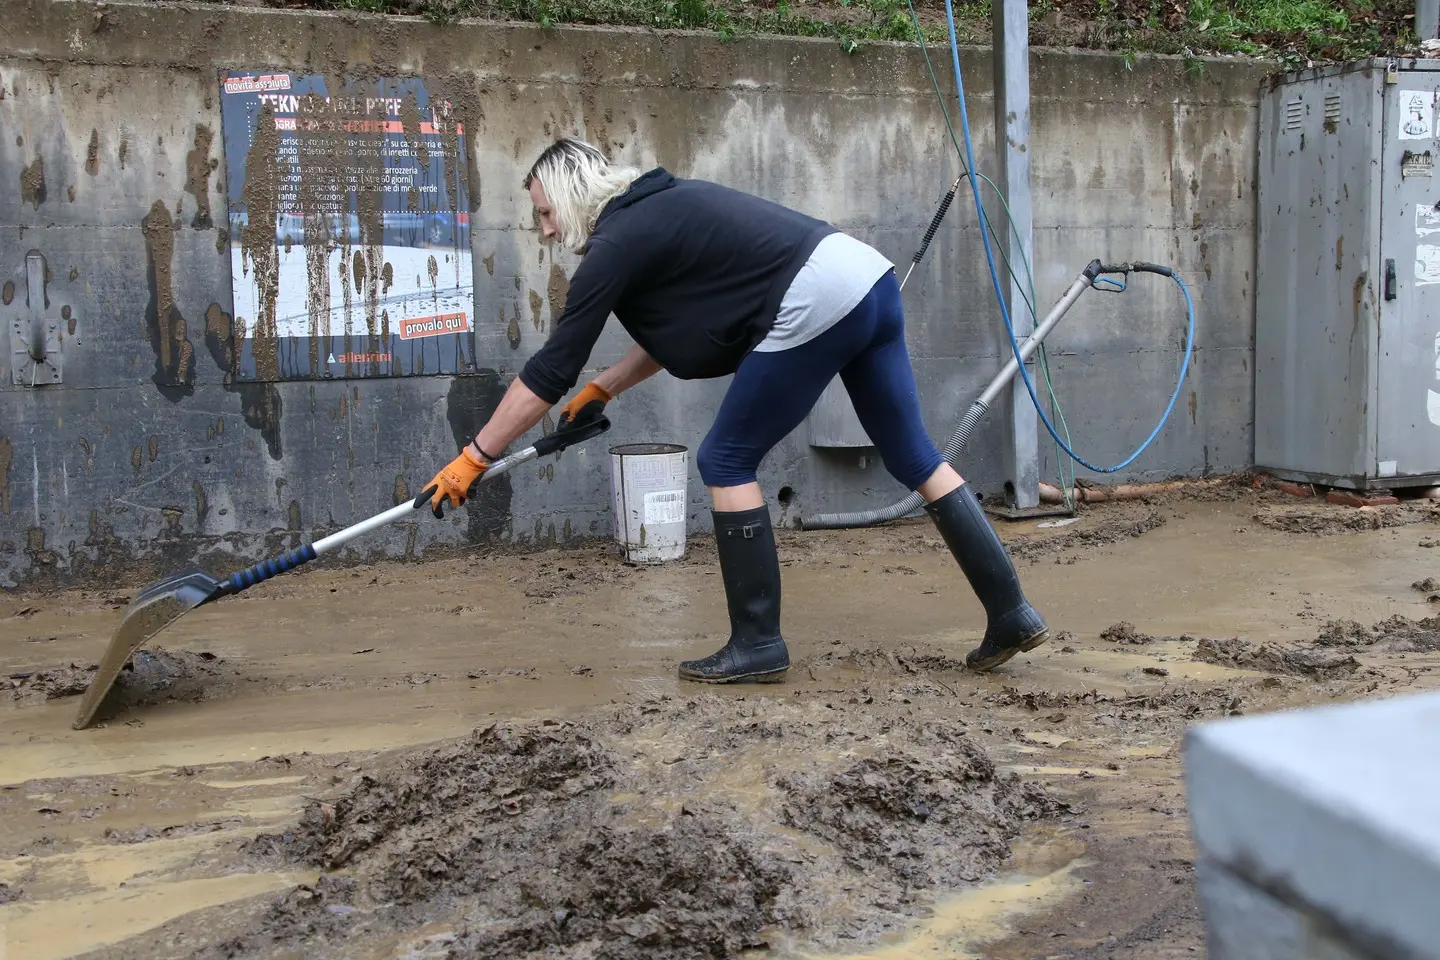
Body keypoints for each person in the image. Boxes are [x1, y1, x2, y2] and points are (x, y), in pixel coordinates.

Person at [419, 136, 1049, 682]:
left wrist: (475, 457)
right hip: (866, 278)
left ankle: (757, 643)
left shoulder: (617, 242)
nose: (546, 230)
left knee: (725, 458)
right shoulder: (659, 212)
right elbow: (684, 331)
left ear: (572, 195)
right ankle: (1012, 612)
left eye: (546, 212)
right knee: (913, 454)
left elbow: (548, 372)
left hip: (814, 293)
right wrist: (606, 386)